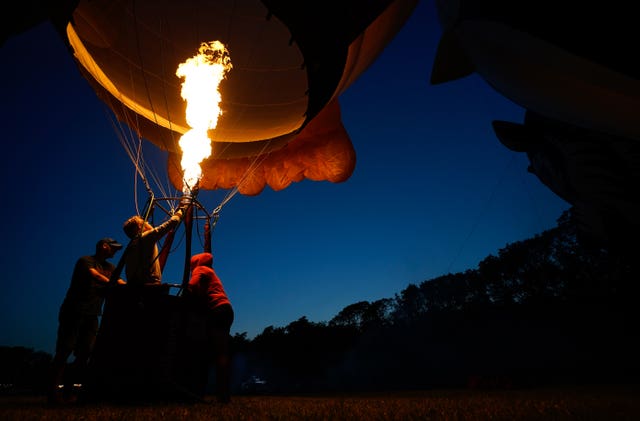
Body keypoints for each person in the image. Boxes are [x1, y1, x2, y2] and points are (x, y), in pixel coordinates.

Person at [48, 237, 126, 405]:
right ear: (103, 246)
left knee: (86, 352)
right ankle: (53, 394)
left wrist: (129, 288)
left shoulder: (110, 267)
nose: (115, 251)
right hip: (74, 311)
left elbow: (120, 284)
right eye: (113, 247)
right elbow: (96, 277)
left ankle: (69, 392)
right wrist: (115, 285)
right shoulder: (86, 261)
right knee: (64, 349)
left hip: (92, 314)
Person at [186, 252, 234, 403]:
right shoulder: (210, 271)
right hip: (226, 309)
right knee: (221, 353)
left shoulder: (199, 270)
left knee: (207, 353)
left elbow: (191, 286)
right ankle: (223, 394)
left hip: (217, 310)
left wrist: (186, 300)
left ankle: (203, 392)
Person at [122, 209, 183, 286]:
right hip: (149, 287)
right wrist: (182, 209)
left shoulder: (132, 244)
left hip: (135, 287)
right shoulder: (145, 237)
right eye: (144, 223)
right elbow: (173, 222)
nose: (147, 223)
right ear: (139, 227)